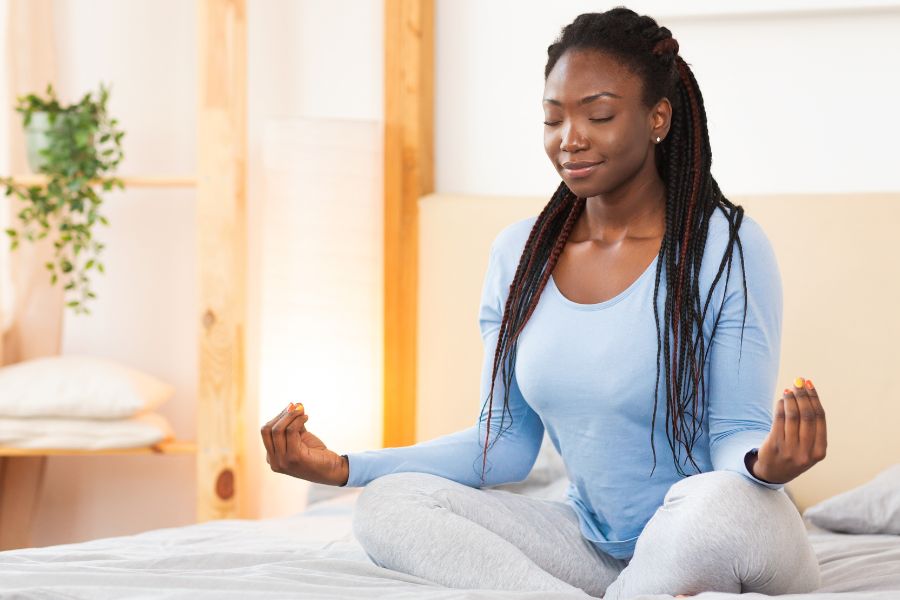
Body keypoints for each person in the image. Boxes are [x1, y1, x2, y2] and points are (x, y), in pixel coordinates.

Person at [260, 7, 827, 598]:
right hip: (590, 544)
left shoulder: (726, 246)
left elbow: (733, 431)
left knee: (715, 499)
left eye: (599, 115)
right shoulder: (520, 257)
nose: (570, 139)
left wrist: (766, 464)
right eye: (553, 119)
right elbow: (500, 444)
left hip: (725, 522)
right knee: (390, 504)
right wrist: (346, 468)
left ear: (658, 117)